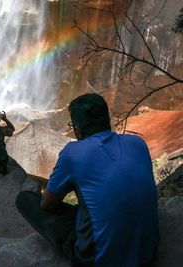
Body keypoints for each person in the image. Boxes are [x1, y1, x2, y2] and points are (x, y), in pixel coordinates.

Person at [16, 93, 159, 267]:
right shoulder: (137, 143)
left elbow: (47, 204)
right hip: (147, 253)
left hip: (97, 261)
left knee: (25, 199)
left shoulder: (73, 152)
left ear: (78, 128)